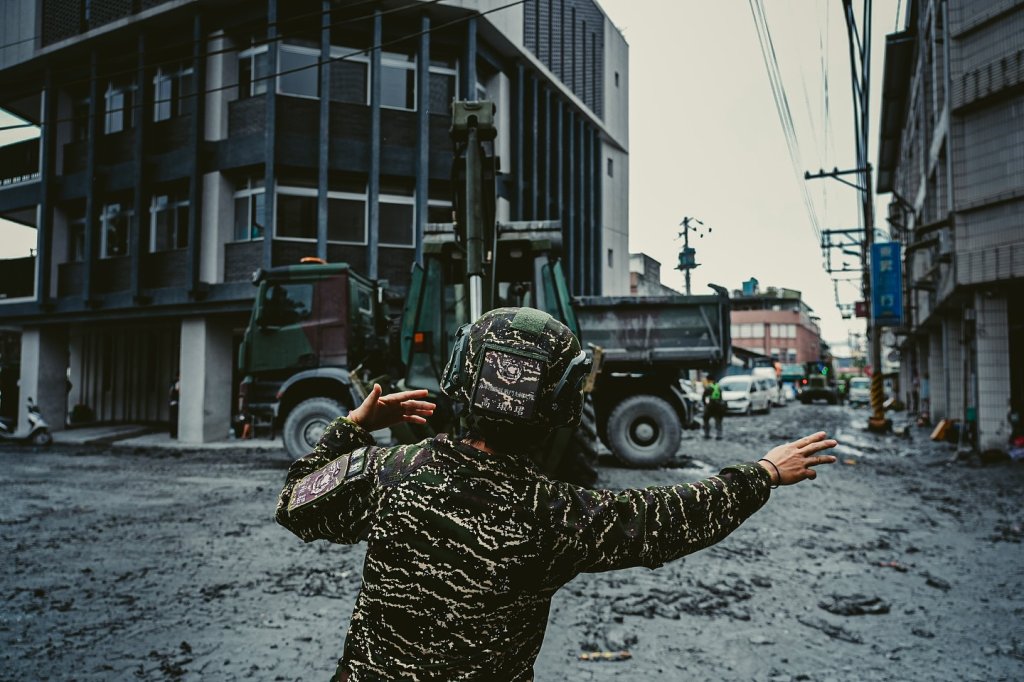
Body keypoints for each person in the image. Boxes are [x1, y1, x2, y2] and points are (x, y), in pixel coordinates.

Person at [276, 307, 837, 681]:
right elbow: (669, 520)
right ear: (563, 403)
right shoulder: (557, 516)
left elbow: (294, 504)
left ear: (461, 374)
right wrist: (762, 473)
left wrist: (353, 424)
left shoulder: (384, 472)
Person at [702, 375, 726, 440]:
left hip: (710, 406)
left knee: (705, 419)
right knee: (718, 421)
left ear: (709, 380)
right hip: (718, 406)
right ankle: (719, 435)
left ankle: (707, 434)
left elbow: (703, 398)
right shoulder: (718, 387)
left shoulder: (708, 387)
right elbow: (721, 397)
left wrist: (705, 405)